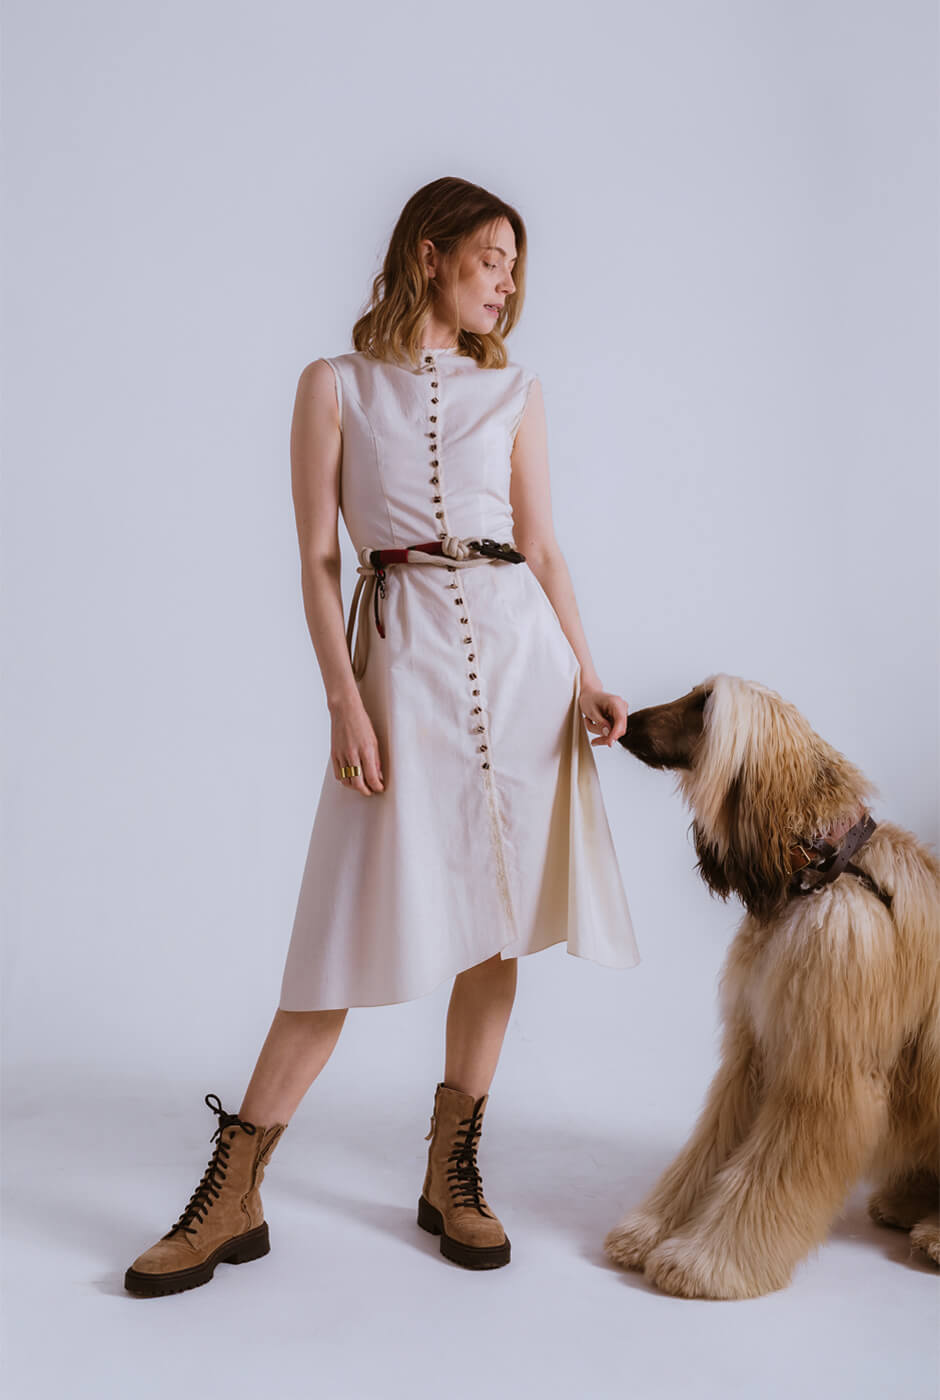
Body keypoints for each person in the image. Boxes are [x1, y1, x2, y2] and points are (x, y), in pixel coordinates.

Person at [124, 176, 639, 1297]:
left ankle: (452, 1172)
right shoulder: (335, 386)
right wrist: (341, 699)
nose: (507, 283)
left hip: (521, 667)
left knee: (499, 923)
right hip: (399, 672)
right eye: (490, 258)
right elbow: (318, 559)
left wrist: (589, 676)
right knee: (340, 935)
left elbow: (544, 548)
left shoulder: (516, 393)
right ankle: (233, 1189)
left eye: (515, 267)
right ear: (427, 254)